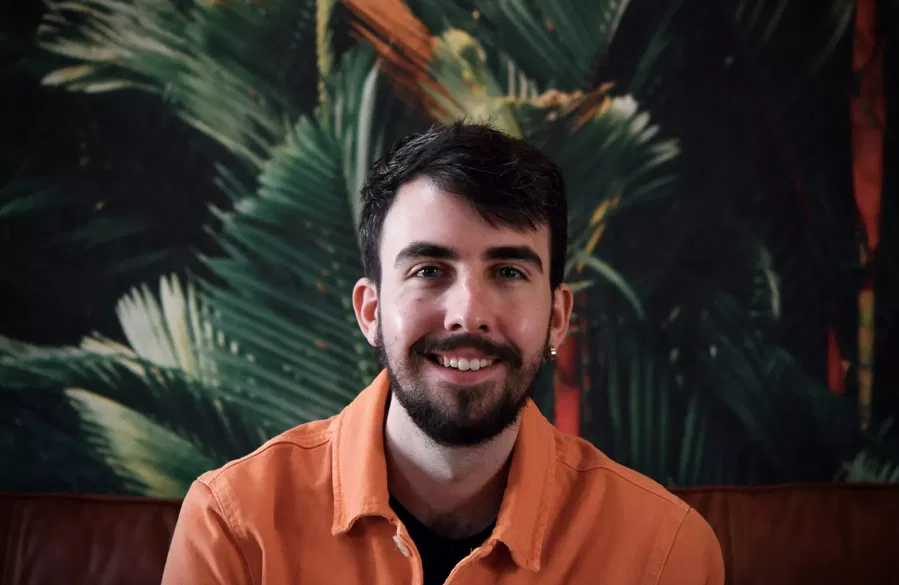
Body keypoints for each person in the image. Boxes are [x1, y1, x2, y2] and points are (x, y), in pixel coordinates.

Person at [161, 121, 725, 585]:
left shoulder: (664, 553)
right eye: (429, 270)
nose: (467, 313)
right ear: (371, 312)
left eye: (507, 272)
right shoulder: (234, 526)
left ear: (556, 317)